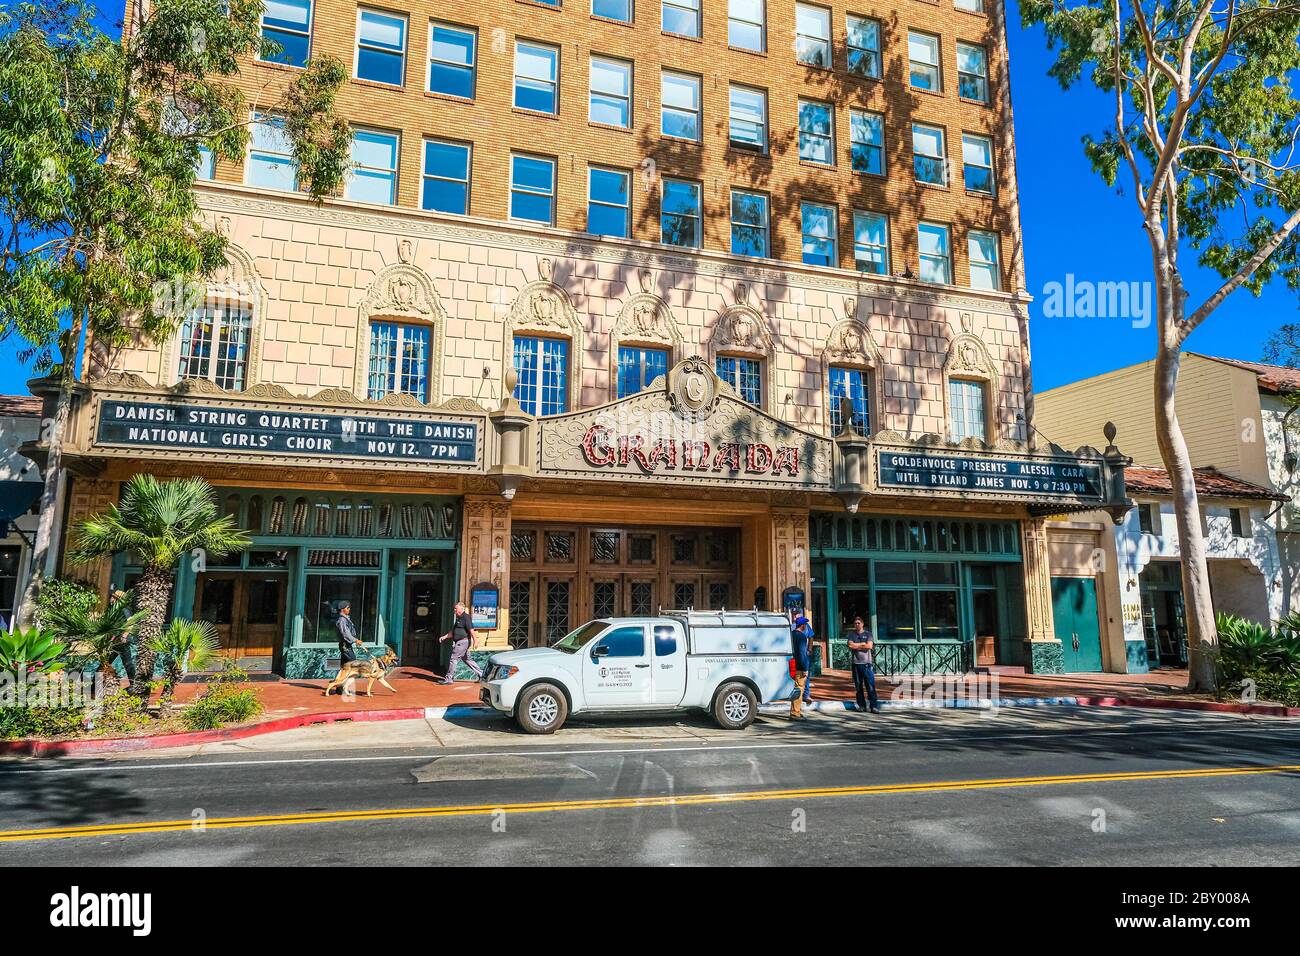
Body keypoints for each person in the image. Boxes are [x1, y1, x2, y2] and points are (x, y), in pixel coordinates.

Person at [439, 600, 484, 684]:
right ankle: (482, 674)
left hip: (463, 642)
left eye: (456, 608)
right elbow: (453, 631)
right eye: (455, 609)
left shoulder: (466, 617)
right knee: (467, 659)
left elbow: (471, 630)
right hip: (462, 642)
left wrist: (475, 641)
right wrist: (444, 637)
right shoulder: (458, 618)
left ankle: (449, 678)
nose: (455, 610)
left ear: (462, 608)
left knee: (453, 658)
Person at [847, 616, 880, 714]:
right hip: (856, 663)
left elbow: (869, 646)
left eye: (858, 623)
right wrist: (862, 644)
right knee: (858, 686)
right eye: (855, 623)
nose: (857, 625)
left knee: (870, 685)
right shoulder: (851, 634)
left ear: (862, 624)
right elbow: (850, 645)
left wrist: (856, 645)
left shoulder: (868, 634)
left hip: (866, 664)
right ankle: (861, 705)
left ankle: (873, 706)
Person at [789, 614, 812, 719]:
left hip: (792, 665)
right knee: (799, 689)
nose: (806, 626)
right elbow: (802, 654)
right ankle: (795, 713)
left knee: (796, 689)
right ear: (802, 625)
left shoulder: (791, 635)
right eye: (805, 624)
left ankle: (796, 710)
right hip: (799, 667)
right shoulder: (802, 636)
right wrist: (804, 669)